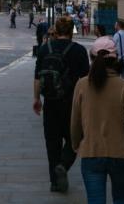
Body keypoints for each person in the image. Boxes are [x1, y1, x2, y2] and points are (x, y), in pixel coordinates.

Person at [71, 37, 124, 204]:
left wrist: (76, 145)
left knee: (96, 201)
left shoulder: (81, 85)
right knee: (121, 198)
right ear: (115, 59)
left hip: (91, 152)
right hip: (120, 152)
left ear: (92, 58)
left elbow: (75, 121)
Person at [33, 17, 90, 193]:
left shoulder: (45, 49)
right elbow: (85, 80)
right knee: (75, 139)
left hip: (50, 102)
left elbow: (37, 77)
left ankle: (55, 182)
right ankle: (63, 165)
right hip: (72, 104)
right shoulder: (79, 50)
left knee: (52, 142)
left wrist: (37, 99)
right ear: (72, 30)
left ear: (56, 31)